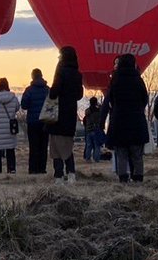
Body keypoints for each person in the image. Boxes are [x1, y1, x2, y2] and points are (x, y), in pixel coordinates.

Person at [102, 54, 149, 183]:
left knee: (121, 153)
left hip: (119, 121)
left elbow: (110, 99)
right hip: (136, 121)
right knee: (137, 154)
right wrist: (138, 109)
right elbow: (145, 98)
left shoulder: (115, 80)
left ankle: (123, 178)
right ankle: (138, 178)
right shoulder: (138, 80)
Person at [48, 46, 84, 182]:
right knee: (67, 146)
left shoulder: (61, 72)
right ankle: (71, 173)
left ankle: (58, 175)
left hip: (57, 114)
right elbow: (79, 95)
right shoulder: (78, 74)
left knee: (56, 146)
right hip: (70, 114)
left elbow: (53, 93)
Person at [20, 68, 50, 175]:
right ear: (42, 76)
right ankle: (42, 168)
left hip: (32, 122)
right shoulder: (48, 90)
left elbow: (24, 105)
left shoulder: (29, 90)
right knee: (43, 146)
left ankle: (33, 169)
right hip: (45, 122)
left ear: (32, 76)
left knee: (34, 147)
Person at [0, 77, 21, 175]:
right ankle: (11, 169)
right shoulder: (13, 98)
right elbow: (17, 108)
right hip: (9, 128)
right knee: (10, 149)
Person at [83, 97, 104, 163]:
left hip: (88, 130)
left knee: (89, 145)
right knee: (97, 146)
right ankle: (96, 159)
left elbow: (84, 120)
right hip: (96, 130)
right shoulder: (98, 111)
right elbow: (102, 116)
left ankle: (87, 158)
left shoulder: (87, 111)